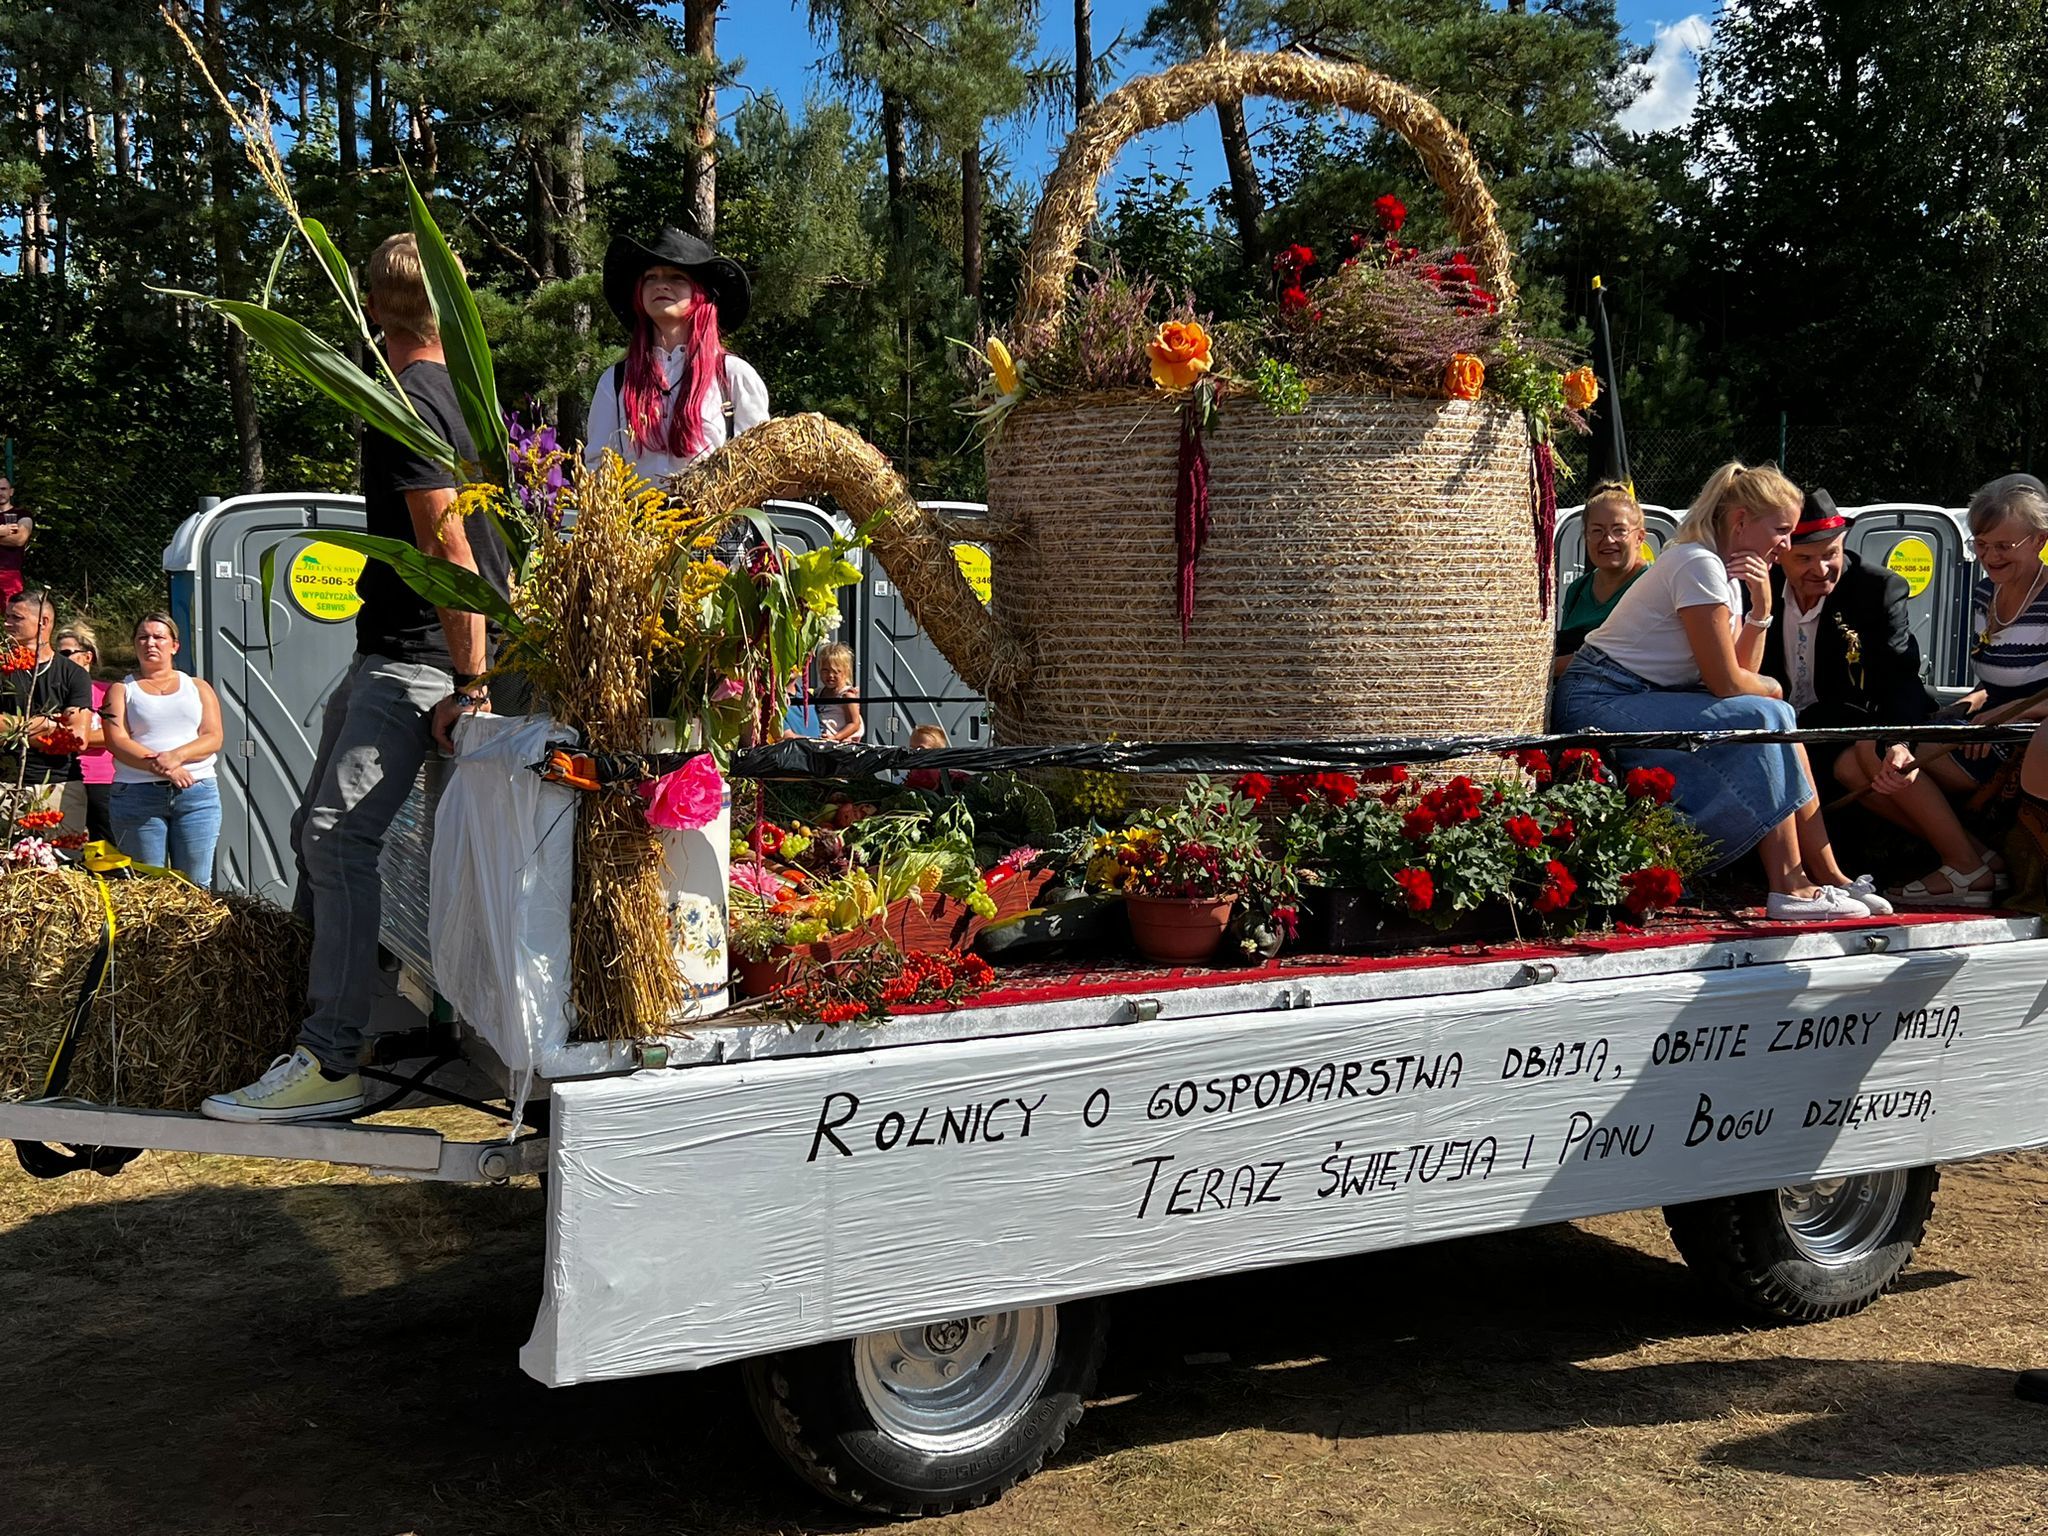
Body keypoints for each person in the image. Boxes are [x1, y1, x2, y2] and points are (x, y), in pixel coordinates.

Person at [204, 232, 510, 1124]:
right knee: (312, 831)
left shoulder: (408, 399)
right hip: (397, 653)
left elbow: (447, 545)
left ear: (375, 309)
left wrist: (472, 681)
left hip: (420, 657)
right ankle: (306, 1021)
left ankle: (330, 1059)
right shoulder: (471, 400)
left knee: (338, 839)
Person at [1553, 461, 1885, 920]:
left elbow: (1736, 679)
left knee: (1774, 718)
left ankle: (1826, 876)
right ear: (1741, 520)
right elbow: (1730, 683)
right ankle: (1791, 884)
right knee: (1771, 715)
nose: (1787, 545)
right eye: (1782, 531)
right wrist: (1774, 686)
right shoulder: (1698, 563)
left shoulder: (1721, 570)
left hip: (1633, 695)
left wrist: (1762, 607)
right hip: (1598, 697)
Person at [1754, 493, 1989, 905]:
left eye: (1830, 554)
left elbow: (1900, 676)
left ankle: (1966, 862)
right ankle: (1977, 858)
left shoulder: (1875, 587)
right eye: (1804, 559)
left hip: (1854, 719)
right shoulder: (1758, 588)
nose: (1820, 569)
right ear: (1781, 556)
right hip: (1787, 722)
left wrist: (1896, 741)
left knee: (1859, 759)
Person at [1909, 474, 2048, 815]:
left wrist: (2001, 717)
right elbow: (1997, 677)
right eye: (1981, 545)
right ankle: (1971, 857)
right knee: (1852, 764)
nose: (1990, 557)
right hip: (1985, 728)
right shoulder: (1986, 593)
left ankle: (1967, 862)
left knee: (1879, 753)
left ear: (2039, 540)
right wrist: (1967, 704)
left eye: (2003, 546)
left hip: (2024, 741)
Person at [584, 229, 768, 482]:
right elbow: (598, 467)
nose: (661, 284)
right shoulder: (615, 382)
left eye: (677, 277)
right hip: (635, 520)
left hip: (715, 519)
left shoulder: (733, 376)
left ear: (702, 293)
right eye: (651, 277)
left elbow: (758, 467)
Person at [101, 614, 224, 884]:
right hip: (137, 794)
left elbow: (213, 737)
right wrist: (160, 766)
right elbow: (117, 741)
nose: (150, 643)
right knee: (145, 886)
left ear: (174, 645)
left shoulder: (198, 687)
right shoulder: (121, 690)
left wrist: (175, 758)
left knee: (195, 884)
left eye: (158, 637)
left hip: (196, 793)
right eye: (143, 637)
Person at [2, 590, 93, 835]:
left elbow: (77, 737)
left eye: (16, 618)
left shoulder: (74, 675)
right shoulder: (4, 668)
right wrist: (52, 724)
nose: (7, 623)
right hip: (5, 787)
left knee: (60, 867)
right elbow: (65, 729)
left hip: (59, 787)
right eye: (7, 616)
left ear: (43, 622)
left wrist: (13, 728)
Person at [1554, 482, 1650, 677]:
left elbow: (1621, 658)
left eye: (1619, 530)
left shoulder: (1652, 585)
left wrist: (1541, 669)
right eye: (1597, 531)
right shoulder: (1577, 589)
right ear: (1585, 536)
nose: (1608, 540)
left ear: (1639, 537)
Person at [54, 621, 114, 844]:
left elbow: (117, 736)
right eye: (58, 654)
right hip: (63, 777)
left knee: (107, 848)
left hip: (102, 780)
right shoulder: (54, 695)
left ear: (87, 657)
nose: (61, 660)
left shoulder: (106, 692)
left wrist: (76, 736)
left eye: (67, 653)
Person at [813, 642, 863, 744]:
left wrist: (836, 737)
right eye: (825, 670)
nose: (830, 675)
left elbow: (854, 723)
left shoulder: (846, 695)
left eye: (836, 671)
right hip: (821, 740)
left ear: (846, 671)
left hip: (838, 743)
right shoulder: (818, 693)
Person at [0, 475, 31, 609]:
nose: (0, 493)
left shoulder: (22, 514)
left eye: (3, 489)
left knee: (14, 615)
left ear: (11, 491)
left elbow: (19, 540)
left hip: (9, 574)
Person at [905, 723, 950, 790]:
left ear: (937, 752)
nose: (914, 753)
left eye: (921, 749)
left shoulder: (948, 781)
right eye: (911, 748)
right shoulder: (903, 778)